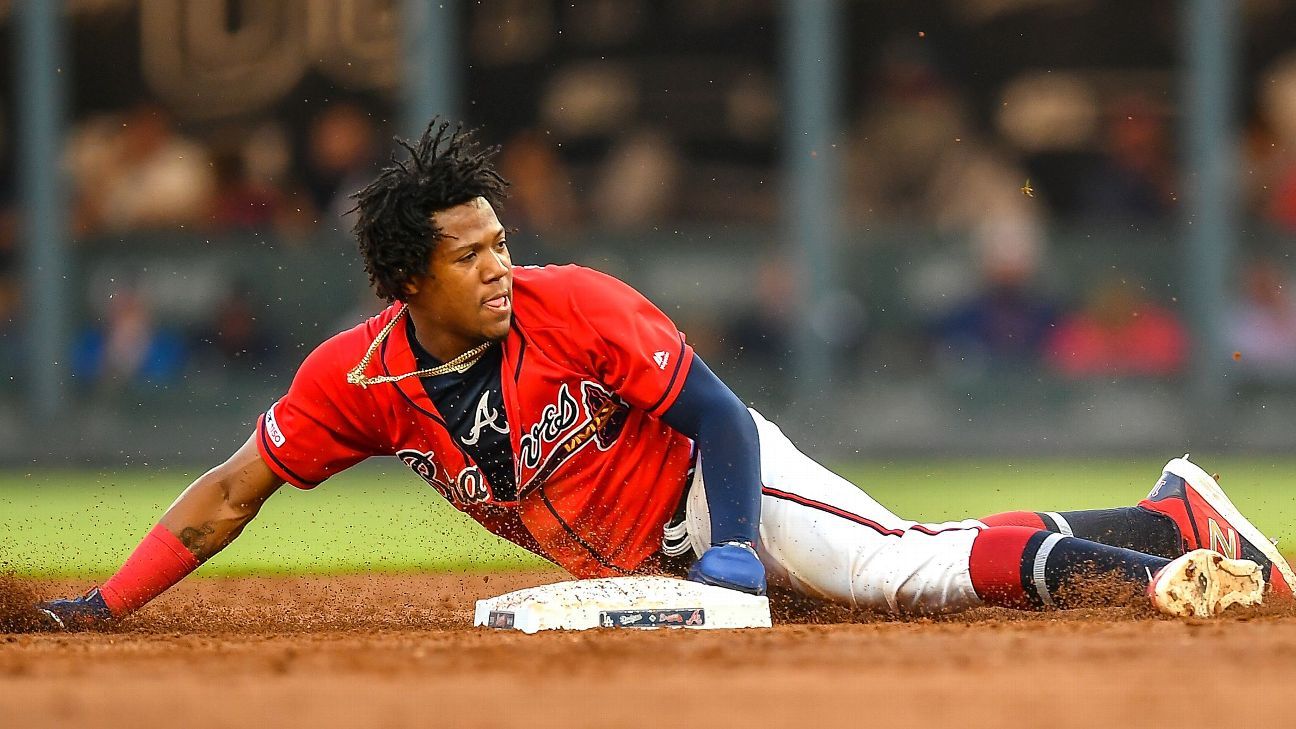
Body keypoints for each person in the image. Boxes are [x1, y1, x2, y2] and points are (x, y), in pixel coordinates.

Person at [34, 121, 1293, 631]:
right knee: (896, 561)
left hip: (712, 491)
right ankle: (1176, 505)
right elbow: (232, 489)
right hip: (643, 561)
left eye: (500, 238)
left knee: (895, 568)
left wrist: (738, 545)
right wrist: (108, 604)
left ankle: (1173, 574)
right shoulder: (356, 380)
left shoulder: (574, 303)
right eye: (468, 254)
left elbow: (718, 417)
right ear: (404, 282)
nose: (499, 264)